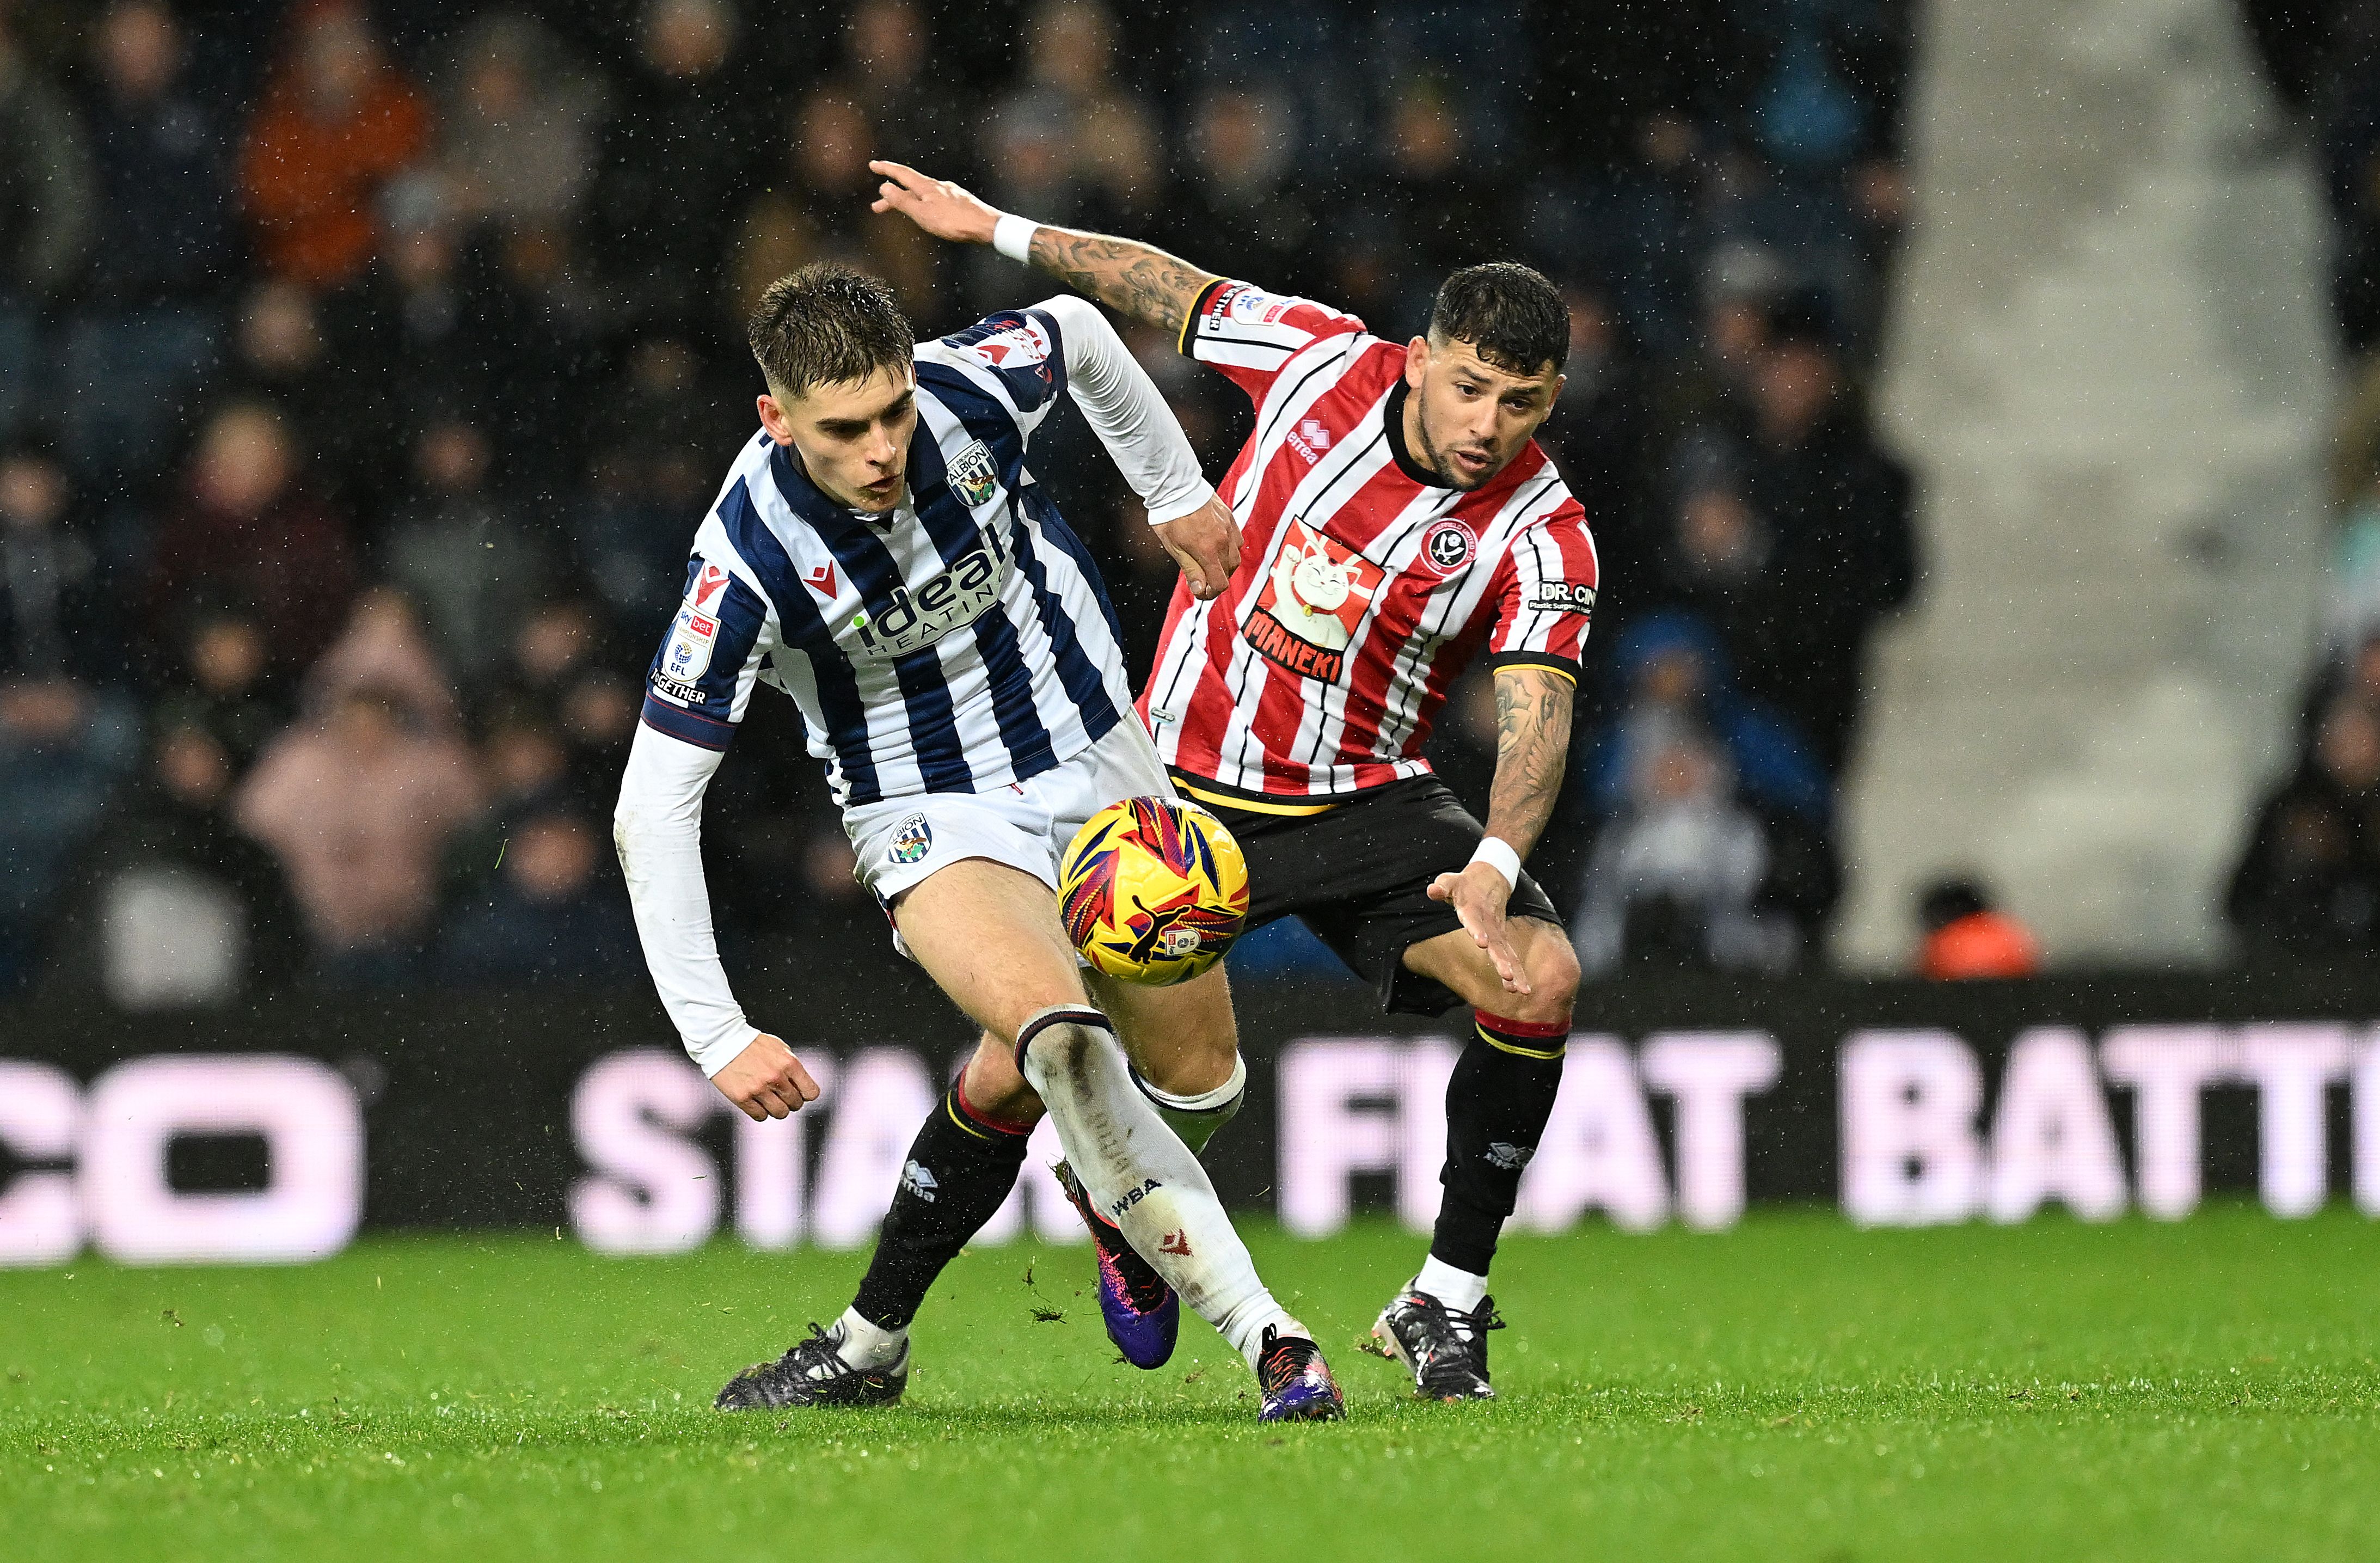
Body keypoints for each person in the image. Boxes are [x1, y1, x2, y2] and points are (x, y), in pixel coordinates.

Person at [874, 161, 1598, 1402]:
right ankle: (872, 1333)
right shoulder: (1319, 360)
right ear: (1422, 354)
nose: (1485, 423)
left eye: (1518, 402)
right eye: (1469, 385)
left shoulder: (1543, 528)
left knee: (1537, 974)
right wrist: (993, 224)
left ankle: (1446, 1300)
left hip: (1369, 801)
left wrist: (1492, 862)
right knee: (1016, 1059)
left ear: (1551, 399)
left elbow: (1538, 714)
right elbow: (1161, 286)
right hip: (1181, 789)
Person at [611, 262, 1344, 1421]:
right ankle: (1274, 1339)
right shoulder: (744, 556)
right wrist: (715, 1029)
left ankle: (924, 1309)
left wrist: (1170, 489)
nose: (881, 447)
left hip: (1101, 759)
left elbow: (1081, 331)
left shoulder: (971, 387)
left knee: (1198, 1083)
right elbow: (653, 800)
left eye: (894, 412)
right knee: (1060, 1041)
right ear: (775, 418)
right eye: (843, 428)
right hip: (929, 811)